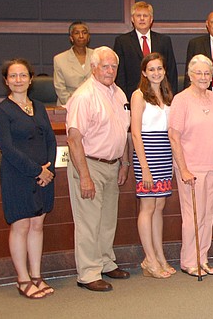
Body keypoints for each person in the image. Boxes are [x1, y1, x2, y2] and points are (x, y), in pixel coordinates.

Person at [66, 46, 131, 292]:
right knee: (89, 222)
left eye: (114, 66)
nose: (110, 71)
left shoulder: (118, 93)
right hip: (90, 165)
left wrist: (123, 163)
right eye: (105, 66)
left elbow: (122, 133)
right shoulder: (84, 96)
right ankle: (88, 272)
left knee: (106, 221)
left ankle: (105, 262)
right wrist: (84, 176)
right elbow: (74, 139)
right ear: (93, 68)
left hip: (113, 165)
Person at [0, 59, 57, 299]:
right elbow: (8, 149)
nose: (18, 80)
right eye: (13, 76)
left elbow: (50, 139)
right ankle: (22, 279)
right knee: (21, 225)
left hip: (45, 176)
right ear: (6, 81)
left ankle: (37, 275)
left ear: (31, 79)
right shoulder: (2, 112)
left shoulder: (39, 106)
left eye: (23, 75)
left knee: (37, 225)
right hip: (17, 176)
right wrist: (36, 170)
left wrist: (48, 170)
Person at [169, 54, 213, 277]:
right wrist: (183, 168)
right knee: (193, 216)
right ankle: (189, 260)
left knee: (208, 215)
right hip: (192, 169)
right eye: (199, 73)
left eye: (207, 73)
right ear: (190, 75)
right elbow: (174, 137)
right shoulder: (181, 100)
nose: (204, 77)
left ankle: (202, 257)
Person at [131, 53, 175, 279]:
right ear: (144, 72)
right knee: (147, 208)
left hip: (164, 154)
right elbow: (136, 134)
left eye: (159, 68)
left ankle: (159, 255)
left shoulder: (167, 95)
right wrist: (144, 167)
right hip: (147, 154)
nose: (156, 73)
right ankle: (149, 258)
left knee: (159, 207)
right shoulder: (138, 96)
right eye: (151, 69)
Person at [114, 1, 178, 100]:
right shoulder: (122, 42)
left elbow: (171, 71)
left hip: (161, 96)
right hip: (132, 96)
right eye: (138, 16)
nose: (142, 19)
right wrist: (124, 99)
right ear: (132, 19)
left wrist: (171, 97)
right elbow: (120, 75)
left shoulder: (164, 40)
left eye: (145, 16)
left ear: (151, 19)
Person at [53, 21, 94, 105]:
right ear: (71, 38)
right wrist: (74, 104)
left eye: (84, 33)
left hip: (94, 104)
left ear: (88, 37)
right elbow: (60, 88)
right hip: (68, 104)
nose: (81, 36)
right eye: (77, 33)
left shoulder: (98, 55)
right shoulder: (59, 59)